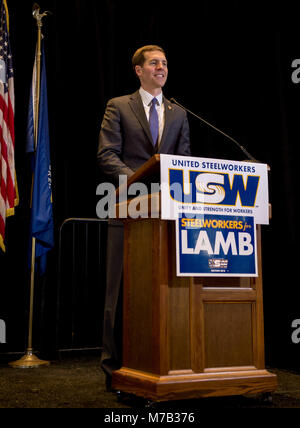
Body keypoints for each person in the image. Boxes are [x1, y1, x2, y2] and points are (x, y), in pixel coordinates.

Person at [97, 45, 191, 390]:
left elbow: (183, 161)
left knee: (165, 290)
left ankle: (157, 364)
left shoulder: (178, 112)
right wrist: (134, 182)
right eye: (154, 63)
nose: (161, 68)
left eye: (165, 63)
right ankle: (113, 372)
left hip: (166, 214)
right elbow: (107, 155)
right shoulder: (119, 106)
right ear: (138, 70)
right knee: (119, 292)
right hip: (128, 210)